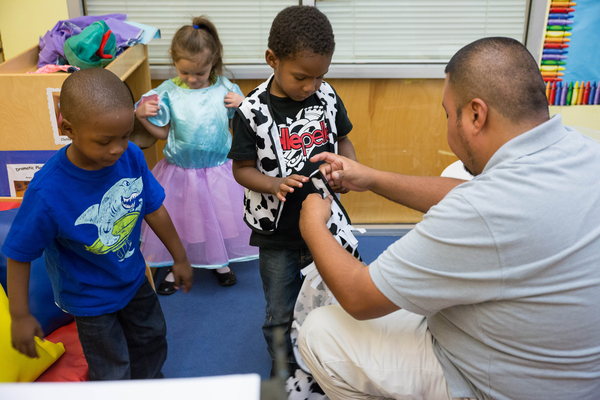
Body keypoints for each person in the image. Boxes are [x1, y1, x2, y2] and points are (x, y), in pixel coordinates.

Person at [297, 37, 600, 400]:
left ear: (476, 114)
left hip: (494, 383)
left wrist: (312, 225)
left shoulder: (482, 212)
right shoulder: (583, 149)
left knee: (320, 329)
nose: (447, 126)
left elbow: (359, 297)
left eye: (447, 113)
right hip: (570, 373)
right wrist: (372, 178)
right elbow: (467, 193)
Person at [3, 68, 194, 380]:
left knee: (152, 339)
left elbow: (153, 208)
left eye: (125, 136)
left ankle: (148, 388)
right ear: (68, 128)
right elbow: (19, 253)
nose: (117, 149)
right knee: (111, 366)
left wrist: (181, 257)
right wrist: (20, 316)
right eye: (105, 141)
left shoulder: (130, 156)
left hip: (132, 278)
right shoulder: (47, 192)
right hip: (88, 295)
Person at [227, 5, 358, 375]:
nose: (310, 87)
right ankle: (283, 368)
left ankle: (325, 364)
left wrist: (346, 168)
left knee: (330, 299)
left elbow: (344, 140)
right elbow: (241, 169)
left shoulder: (327, 96)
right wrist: (273, 184)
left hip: (327, 223)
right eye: (301, 76)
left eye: (319, 77)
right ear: (272, 59)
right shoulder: (251, 111)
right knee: (280, 310)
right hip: (278, 235)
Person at [136, 16, 258, 294]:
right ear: (173, 60)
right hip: (180, 172)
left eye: (200, 74)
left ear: (213, 62)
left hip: (218, 171)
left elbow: (243, 128)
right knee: (181, 220)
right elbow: (163, 133)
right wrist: (142, 116)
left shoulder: (226, 90)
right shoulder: (167, 93)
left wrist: (243, 106)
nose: (192, 79)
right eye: (185, 72)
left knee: (218, 217)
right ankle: (178, 262)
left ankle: (220, 261)